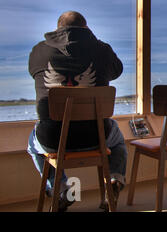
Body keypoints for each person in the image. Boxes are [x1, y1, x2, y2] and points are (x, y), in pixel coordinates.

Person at [27, 11, 127, 211]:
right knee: (117, 141)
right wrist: (93, 41)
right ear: (86, 28)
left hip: (52, 140)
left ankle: (61, 188)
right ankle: (114, 180)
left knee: (32, 146)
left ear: (57, 29)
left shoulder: (38, 51)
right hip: (96, 137)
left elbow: (33, 72)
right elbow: (117, 70)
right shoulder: (102, 50)